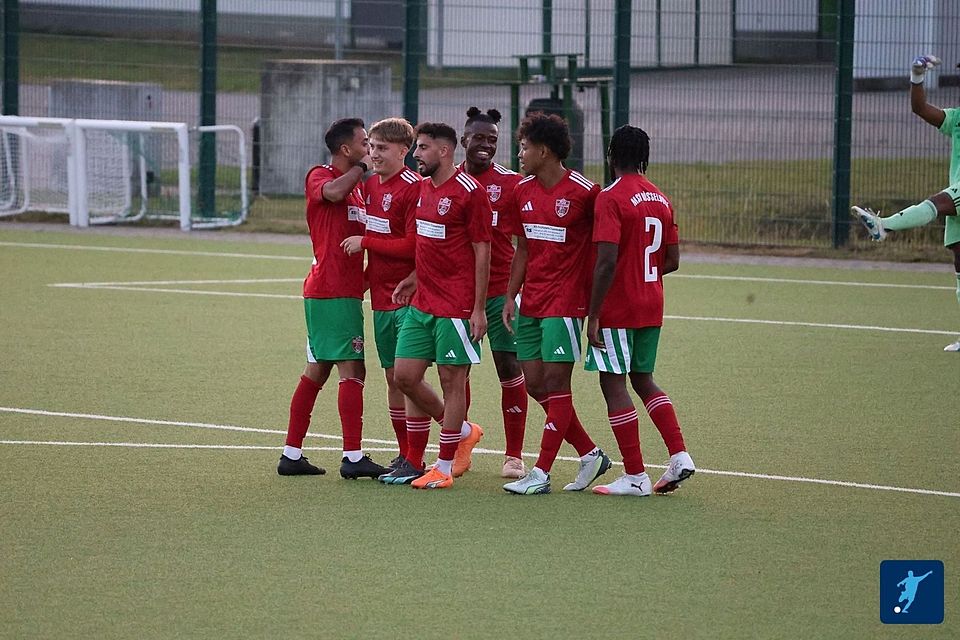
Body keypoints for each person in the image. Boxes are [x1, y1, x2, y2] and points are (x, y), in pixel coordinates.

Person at [501, 112, 612, 495]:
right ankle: (590, 453)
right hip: (530, 302)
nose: (519, 154)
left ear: (544, 150)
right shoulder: (522, 191)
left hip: (565, 305)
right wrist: (511, 296)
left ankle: (542, 472)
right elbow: (524, 249)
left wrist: (597, 304)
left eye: (524, 147)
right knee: (535, 384)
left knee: (556, 382)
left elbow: (606, 250)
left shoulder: (585, 192)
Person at [378, 122, 492, 489]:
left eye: (423, 148)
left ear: (444, 151)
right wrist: (413, 277)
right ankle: (461, 431)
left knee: (450, 380)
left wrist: (478, 308)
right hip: (422, 301)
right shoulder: (423, 188)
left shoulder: (470, 193)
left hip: (457, 306)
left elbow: (482, 250)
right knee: (404, 376)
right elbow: (428, 242)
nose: (416, 155)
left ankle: (443, 466)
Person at [584, 125, 696, 496]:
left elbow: (605, 262)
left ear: (611, 154)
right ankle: (679, 456)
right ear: (645, 156)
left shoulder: (610, 197)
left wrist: (594, 313)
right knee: (643, 378)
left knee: (612, 381)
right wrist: (643, 275)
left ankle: (634, 475)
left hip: (620, 305)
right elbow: (673, 260)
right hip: (652, 301)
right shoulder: (660, 199)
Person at [276, 117, 388, 480]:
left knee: (319, 369)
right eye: (363, 142)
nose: (369, 147)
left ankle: (291, 453)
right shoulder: (320, 175)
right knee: (353, 369)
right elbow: (333, 193)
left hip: (342, 292)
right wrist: (361, 168)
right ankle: (353, 457)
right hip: (330, 291)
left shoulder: (357, 189)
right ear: (346, 149)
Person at [851, 54, 960, 352]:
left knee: (939, 201)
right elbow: (920, 108)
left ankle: (883, 224)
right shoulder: (958, 118)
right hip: (958, 192)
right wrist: (917, 78)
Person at [340, 117, 420, 469]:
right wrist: (364, 283)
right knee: (392, 378)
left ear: (405, 150)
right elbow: (382, 247)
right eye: (371, 146)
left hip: (410, 298)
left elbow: (414, 245)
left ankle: (427, 451)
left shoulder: (415, 187)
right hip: (381, 302)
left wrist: (366, 242)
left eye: (383, 148)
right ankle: (404, 453)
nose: (374, 153)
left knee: (409, 377)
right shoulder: (371, 186)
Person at [459, 107, 529, 478]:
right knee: (457, 371)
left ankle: (514, 455)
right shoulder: (449, 181)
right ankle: (459, 447)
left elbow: (525, 243)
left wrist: (514, 294)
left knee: (508, 367)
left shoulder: (512, 183)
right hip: (457, 294)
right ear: (462, 140)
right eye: (479, 138)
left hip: (500, 293)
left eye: (492, 140)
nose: (485, 145)